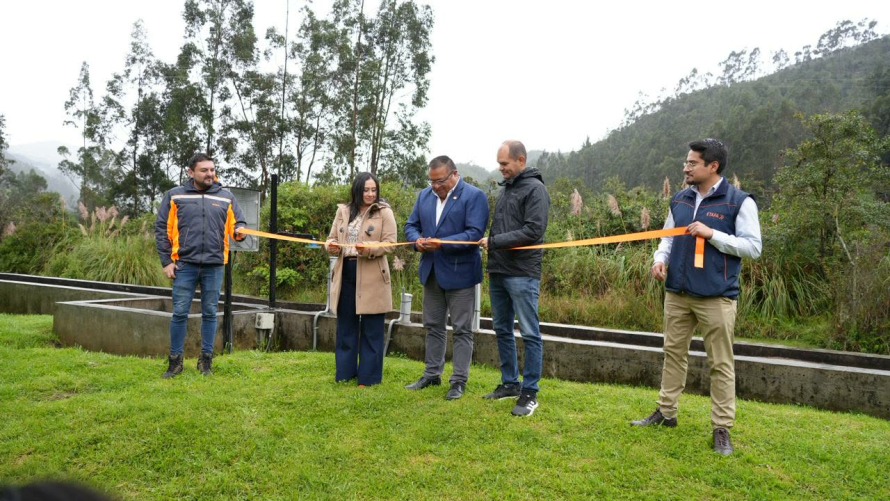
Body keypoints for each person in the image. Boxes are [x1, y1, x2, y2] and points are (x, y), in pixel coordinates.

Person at [630, 138, 762, 456]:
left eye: (692, 163)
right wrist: (659, 259)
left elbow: (753, 247)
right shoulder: (681, 198)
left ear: (712, 166)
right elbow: (667, 236)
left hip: (717, 296)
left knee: (720, 363)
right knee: (673, 354)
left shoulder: (739, 202)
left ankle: (721, 429)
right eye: (686, 162)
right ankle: (666, 412)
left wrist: (712, 234)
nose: (685, 167)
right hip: (677, 292)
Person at [403, 155, 490, 400]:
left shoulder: (474, 196)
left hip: (460, 273)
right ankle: (432, 373)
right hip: (431, 272)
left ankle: (458, 381)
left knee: (462, 329)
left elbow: (474, 233)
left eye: (440, 181)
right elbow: (411, 225)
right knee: (433, 326)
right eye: (431, 181)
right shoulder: (423, 196)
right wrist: (417, 241)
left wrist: (442, 243)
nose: (435, 186)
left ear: (454, 175)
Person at [155, 153, 246, 378]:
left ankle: (206, 362)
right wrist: (167, 261)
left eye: (212, 170)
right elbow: (162, 230)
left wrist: (240, 233)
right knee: (179, 313)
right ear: (191, 172)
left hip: (215, 265)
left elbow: (239, 224)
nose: (209, 174)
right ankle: (175, 362)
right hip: (184, 264)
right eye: (204, 170)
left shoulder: (226, 197)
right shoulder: (175, 196)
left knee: (210, 313)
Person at [479, 140, 550, 417]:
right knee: (502, 329)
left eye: (505, 164)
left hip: (522, 273)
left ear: (521, 160)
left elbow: (533, 231)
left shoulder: (536, 189)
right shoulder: (507, 189)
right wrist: (494, 248)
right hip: (498, 270)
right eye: (499, 164)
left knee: (530, 332)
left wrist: (494, 241)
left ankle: (530, 392)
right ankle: (510, 383)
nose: (501, 169)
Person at [324, 172, 397, 386]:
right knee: (346, 326)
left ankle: (369, 377)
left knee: (372, 329)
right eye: (366, 189)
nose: (370, 194)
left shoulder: (384, 212)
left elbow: (391, 244)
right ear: (357, 189)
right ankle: (345, 373)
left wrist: (369, 249)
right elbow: (330, 239)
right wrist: (331, 246)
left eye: (374, 190)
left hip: (373, 275)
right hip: (345, 272)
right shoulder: (343, 211)